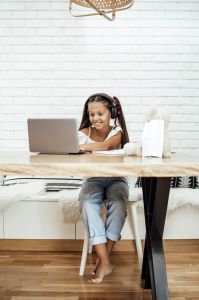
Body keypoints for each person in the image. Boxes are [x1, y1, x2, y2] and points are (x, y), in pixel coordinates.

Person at [78, 93, 129, 284]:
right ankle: (105, 262)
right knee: (87, 202)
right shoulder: (84, 132)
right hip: (94, 178)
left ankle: (103, 260)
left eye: (100, 113)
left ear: (111, 113)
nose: (95, 118)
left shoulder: (117, 131)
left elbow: (107, 146)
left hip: (116, 179)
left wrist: (83, 147)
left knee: (118, 201)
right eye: (91, 114)